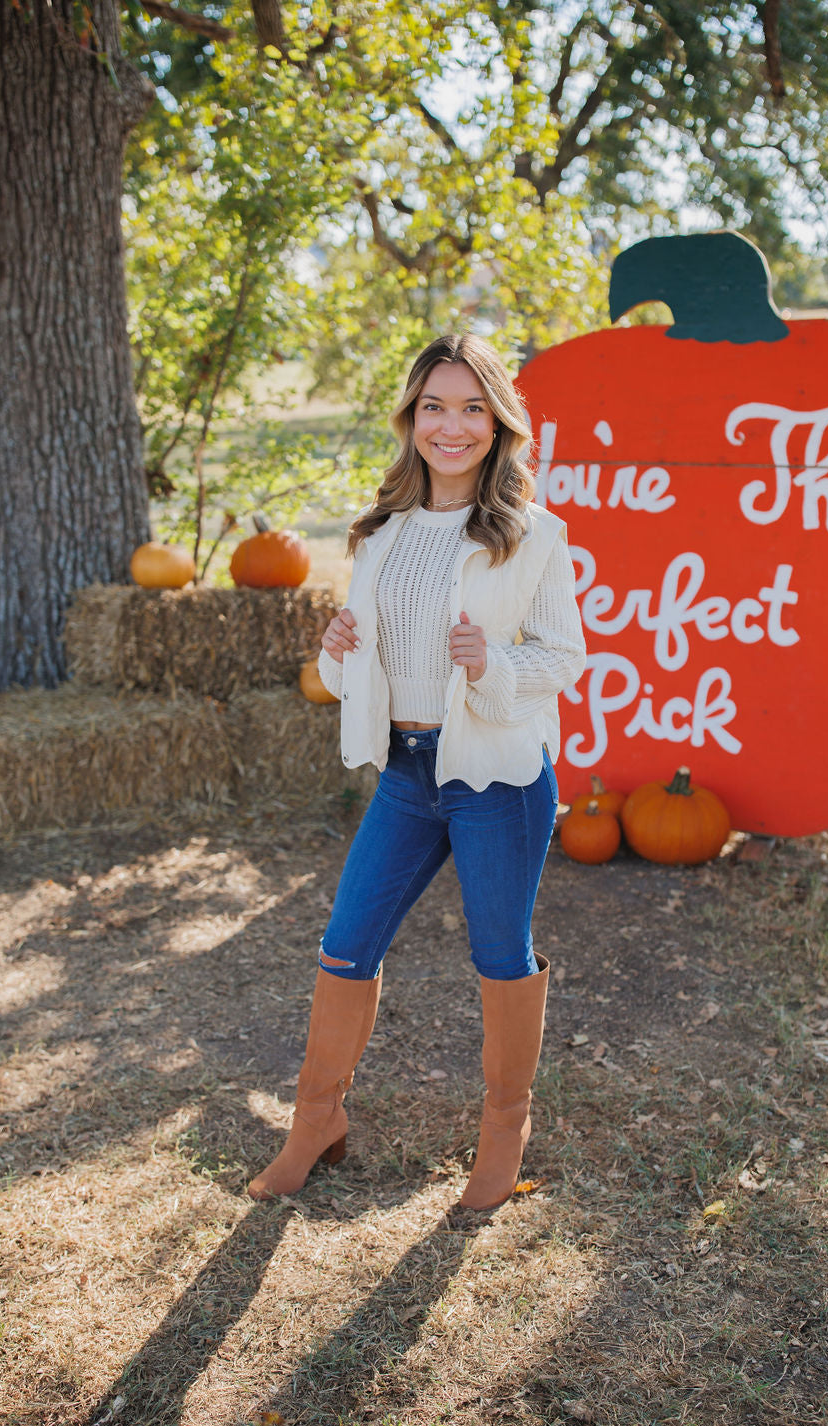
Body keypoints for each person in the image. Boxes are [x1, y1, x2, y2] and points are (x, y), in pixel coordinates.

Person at [248, 333, 587, 1211]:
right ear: (411, 420)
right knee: (344, 947)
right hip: (407, 772)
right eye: (436, 406)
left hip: (498, 778)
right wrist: (336, 655)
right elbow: (354, 674)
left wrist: (492, 666)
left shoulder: (533, 535)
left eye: (473, 408)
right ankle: (315, 1120)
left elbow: (564, 656)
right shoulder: (381, 533)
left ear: (499, 424)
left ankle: (504, 1135)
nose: (453, 425)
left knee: (499, 956)